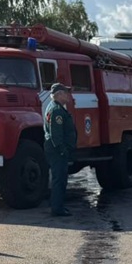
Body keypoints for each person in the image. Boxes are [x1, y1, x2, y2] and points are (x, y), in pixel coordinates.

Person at [44, 83, 77, 217]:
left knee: (60, 178)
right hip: (57, 151)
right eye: (66, 93)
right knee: (60, 179)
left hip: (57, 150)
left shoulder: (57, 108)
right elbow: (56, 134)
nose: (69, 95)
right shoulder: (57, 110)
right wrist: (63, 150)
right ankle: (57, 208)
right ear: (59, 94)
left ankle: (58, 206)